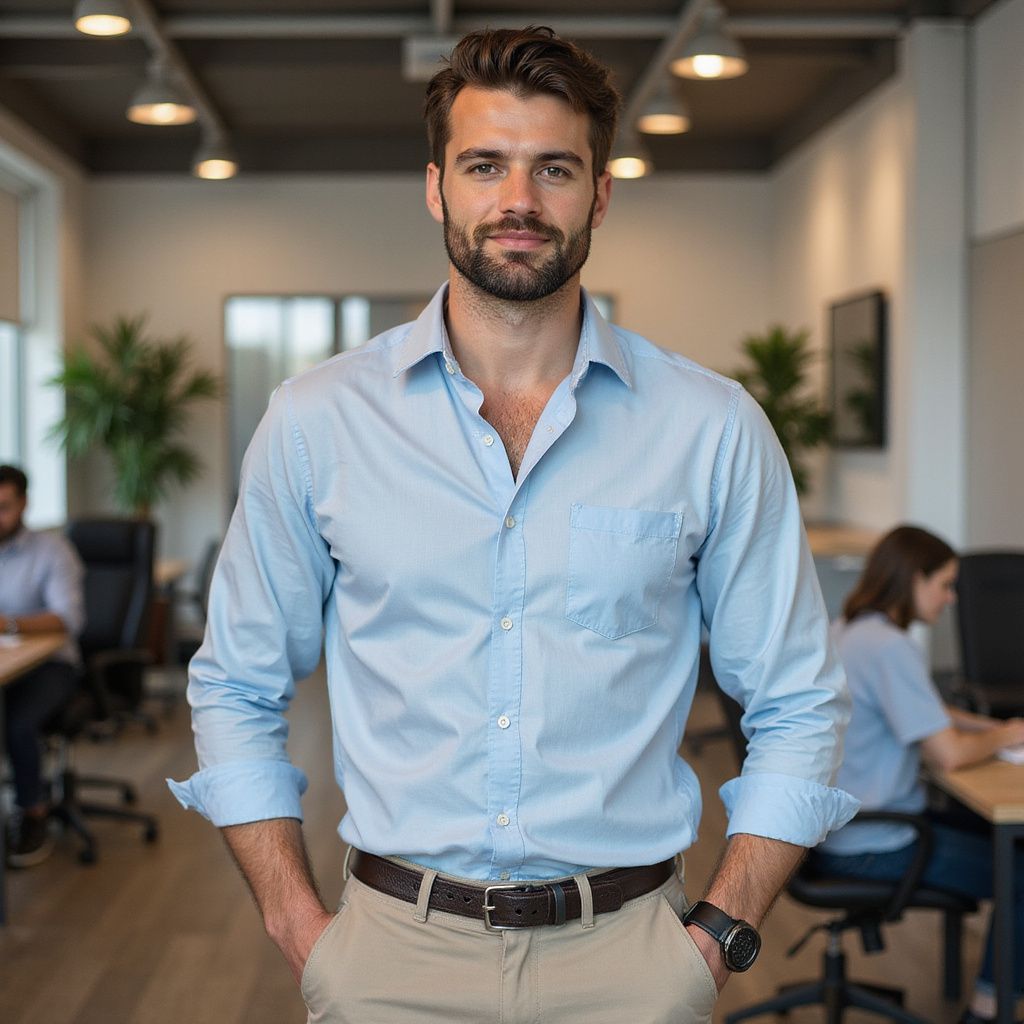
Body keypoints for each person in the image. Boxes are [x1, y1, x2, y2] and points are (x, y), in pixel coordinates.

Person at [170, 27, 857, 1023]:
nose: (518, 202)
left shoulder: (708, 426)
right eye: (484, 165)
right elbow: (235, 683)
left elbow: (796, 700)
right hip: (385, 960)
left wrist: (719, 932)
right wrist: (295, 921)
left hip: (634, 960)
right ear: (436, 186)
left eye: (555, 169)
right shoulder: (318, 419)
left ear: (601, 193)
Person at [812, 524, 1024, 1024]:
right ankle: (988, 1011)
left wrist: (995, 726)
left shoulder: (850, 631)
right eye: (944, 585)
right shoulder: (889, 648)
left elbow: (927, 709)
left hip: (836, 829)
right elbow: (948, 755)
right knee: (1017, 871)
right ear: (913, 579)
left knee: (999, 837)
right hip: (875, 840)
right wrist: (1006, 735)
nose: (951, 599)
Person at [0, 464, 85, 867]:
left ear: (24, 504)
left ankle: (33, 813)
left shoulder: (52, 551)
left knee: (18, 722)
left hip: (51, 663)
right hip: (7, 664)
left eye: (4, 507)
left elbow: (68, 619)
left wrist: (9, 623)